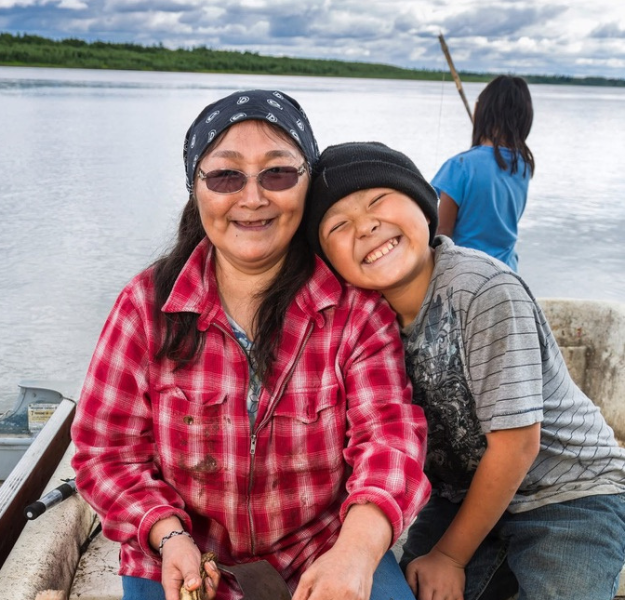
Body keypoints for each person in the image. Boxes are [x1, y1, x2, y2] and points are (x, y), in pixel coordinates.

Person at [71, 91, 431, 600]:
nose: (253, 197)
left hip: (320, 549)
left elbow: (390, 441)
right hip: (181, 555)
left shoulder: (355, 312)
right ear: (196, 189)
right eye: (225, 176)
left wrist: (354, 552)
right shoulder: (144, 306)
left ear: (307, 184)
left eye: (278, 174)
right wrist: (168, 536)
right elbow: (105, 452)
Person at [305, 140, 625, 600]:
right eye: (339, 225)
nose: (367, 225)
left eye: (378, 201)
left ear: (424, 203)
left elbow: (518, 445)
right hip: (460, 493)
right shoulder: (358, 319)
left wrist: (452, 556)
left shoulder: (481, 289)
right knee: (416, 586)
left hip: (569, 491)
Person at [432, 75, 535, 271]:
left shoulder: (460, 166)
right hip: (507, 272)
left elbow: (442, 234)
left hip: (468, 275)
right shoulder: (522, 164)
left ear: (481, 112)